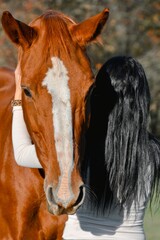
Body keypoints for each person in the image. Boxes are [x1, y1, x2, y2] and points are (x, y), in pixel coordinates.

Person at [12, 56, 160, 240]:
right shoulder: (153, 152)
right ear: (141, 100)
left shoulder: (81, 146)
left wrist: (19, 96)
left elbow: (21, 153)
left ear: (98, 95)